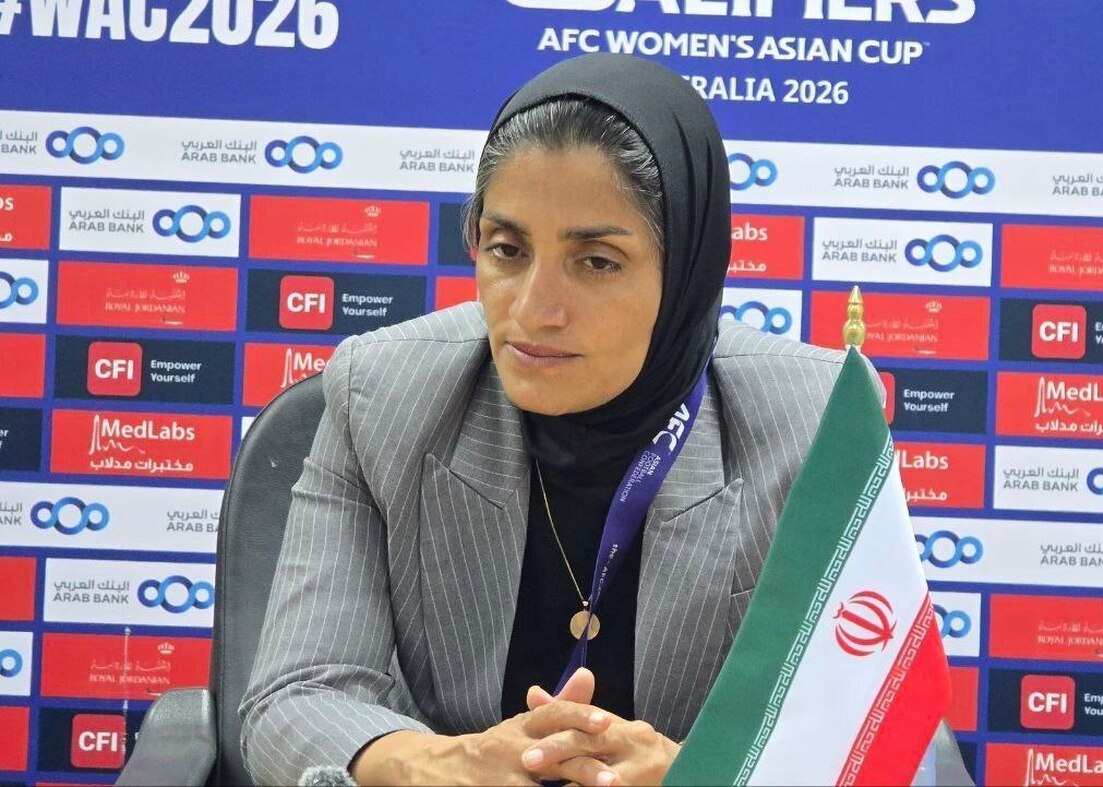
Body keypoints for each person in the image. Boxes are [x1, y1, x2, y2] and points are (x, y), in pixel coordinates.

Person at [240, 53, 874, 786]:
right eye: (508, 250)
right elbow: (295, 698)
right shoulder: (382, 395)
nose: (534, 308)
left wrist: (702, 775)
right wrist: (444, 765)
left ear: (687, 271)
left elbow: (877, 736)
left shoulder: (820, 425)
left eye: (596, 262)